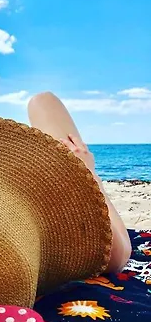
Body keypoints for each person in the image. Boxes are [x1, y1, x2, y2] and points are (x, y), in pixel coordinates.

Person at [27, 91, 132, 273]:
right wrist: (87, 173)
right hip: (97, 248)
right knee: (42, 101)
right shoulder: (99, 252)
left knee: (42, 101)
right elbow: (116, 256)